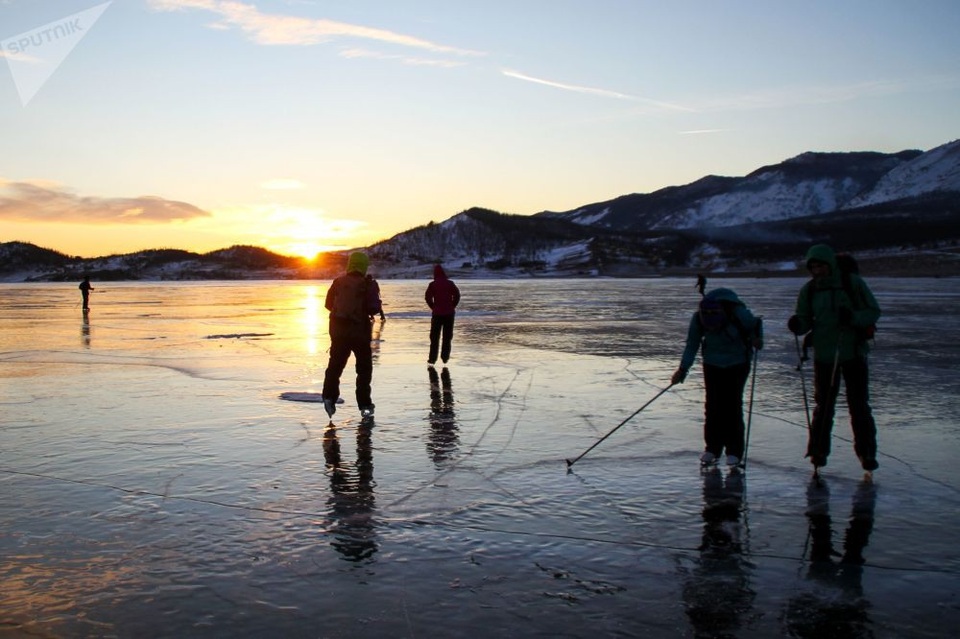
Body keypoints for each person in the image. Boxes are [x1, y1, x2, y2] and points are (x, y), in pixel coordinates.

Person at [788, 244, 881, 472]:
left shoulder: (852, 283)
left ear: (830, 265)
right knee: (824, 405)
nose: (817, 271)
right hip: (825, 354)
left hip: (853, 352)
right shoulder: (809, 290)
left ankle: (866, 453)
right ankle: (818, 451)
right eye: (813, 267)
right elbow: (804, 318)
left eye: (820, 266)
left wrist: (853, 318)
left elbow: (873, 311)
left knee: (858, 405)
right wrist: (798, 325)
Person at [672, 288, 763, 467]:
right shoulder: (698, 318)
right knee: (713, 406)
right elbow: (692, 344)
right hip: (712, 363)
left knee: (732, 406)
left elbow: (755, 326)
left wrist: (757, 339)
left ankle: (734, 451)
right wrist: (683, 369)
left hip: (738, 363)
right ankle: (712, 448)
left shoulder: (739, 314)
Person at [321, 252, 382, 420]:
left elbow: (328, 304)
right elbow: (374, 308)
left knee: (335, 367)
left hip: (339, 333)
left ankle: (329, 398)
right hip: (360, 334)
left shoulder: (338, 282)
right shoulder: (368, 284)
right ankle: (365, 405)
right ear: (364, 266)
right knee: (364, 370)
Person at [424, 264, 461, 365]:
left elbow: (427, 297)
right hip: (449, 314)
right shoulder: (450, 283)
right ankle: (445, 357)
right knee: (447, 337)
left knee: (434, 337)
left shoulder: (432, 284)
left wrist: (433, 307)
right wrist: (452, 305)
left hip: (437, 314)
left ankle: (432, 359)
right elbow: (457, 295)